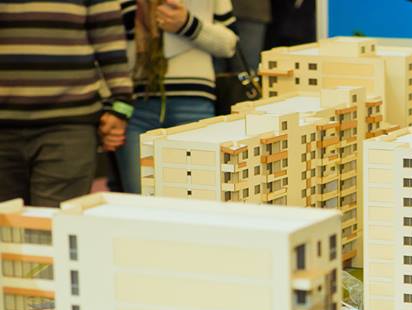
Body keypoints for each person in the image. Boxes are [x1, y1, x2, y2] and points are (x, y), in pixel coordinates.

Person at [0, 0, 133, 206]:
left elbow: (109, 41)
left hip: (69, 125)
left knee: (59, 220)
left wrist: (121, 108)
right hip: (4, 126)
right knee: (6, 223)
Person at [114, 0, 238, 193]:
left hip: (193, 104)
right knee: (139, 200)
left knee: (196, 196)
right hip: (136, 106)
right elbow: (106, 46)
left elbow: (229, 45)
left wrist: (187, 24)